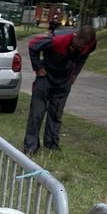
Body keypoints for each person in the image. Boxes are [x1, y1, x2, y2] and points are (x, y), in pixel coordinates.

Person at [23, 25, 97, 156]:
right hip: (45, 76)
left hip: (64, 79)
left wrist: (75, 74)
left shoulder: (90, 45)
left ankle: (51, 144)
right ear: (75, 36)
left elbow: (83, 58)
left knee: (56, 113)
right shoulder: (57, 40)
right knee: (37, 112)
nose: (80, 49)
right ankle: (30, 146)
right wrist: (38, 67)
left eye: (82, 47)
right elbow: (33, 45)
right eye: (78, 45)